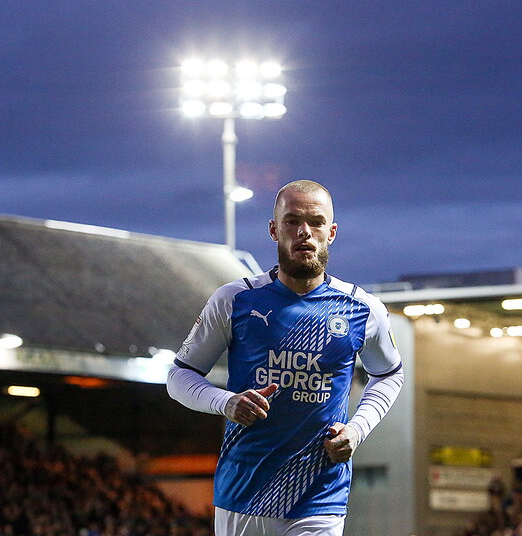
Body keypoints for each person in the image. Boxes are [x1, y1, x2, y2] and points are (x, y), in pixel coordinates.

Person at [167, 180, 404, 536]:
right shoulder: (235, 301)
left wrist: (357, 429)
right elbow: (179, 376)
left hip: (319, 494)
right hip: (244, 492)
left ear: (332, 232)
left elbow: (389, 374)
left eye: (316, 222)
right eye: (292, 221)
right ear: (274, 230)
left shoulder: (362, 309)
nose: (304, 232)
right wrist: (227, 403)